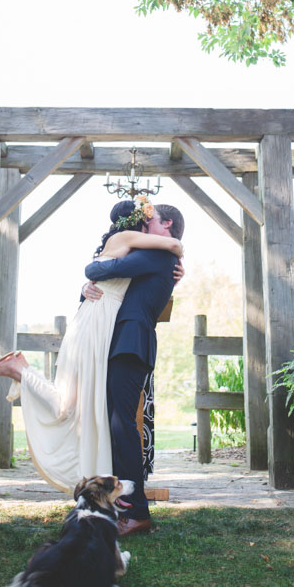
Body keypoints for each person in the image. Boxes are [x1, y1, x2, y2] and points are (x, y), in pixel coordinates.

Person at [0, 197, 183, 496]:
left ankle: (21, 371)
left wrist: (176, 268)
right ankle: (20, 371)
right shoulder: (131, 242)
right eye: (146, 221)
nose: (148, 225)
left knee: (80, 405)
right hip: (98, 330)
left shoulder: (142, 251)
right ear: (137, 222)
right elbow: (97, 272)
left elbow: (123, 278)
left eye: (152, 220)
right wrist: (178, 250)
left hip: (104, 329)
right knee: (79, 405)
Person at [83, 202, 185, 537]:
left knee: (122, 425)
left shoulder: (161, 256)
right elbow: (108, 284)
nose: (144, 224)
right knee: (117, 423)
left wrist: (91, 272)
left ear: (166, 224)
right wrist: (84, 290)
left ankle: (138, 511)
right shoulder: (160, 256)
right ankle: (121, 502)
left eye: (150, 220)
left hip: (131, 340)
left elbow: (100, 271)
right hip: (122, 341)